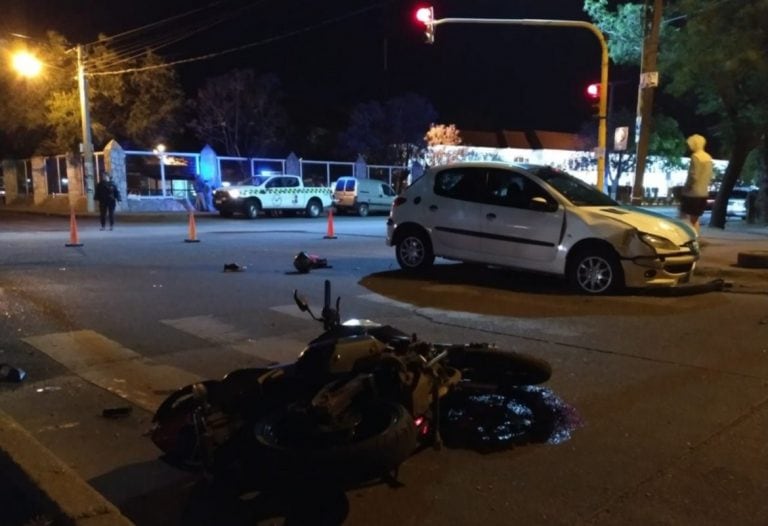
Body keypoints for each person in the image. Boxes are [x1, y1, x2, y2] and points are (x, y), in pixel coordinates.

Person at [679, 134, 713, 235]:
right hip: (703, 193)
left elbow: (693, 176)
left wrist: (685, 188)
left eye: (691, 144)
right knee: (695, 219)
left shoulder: (695, 157)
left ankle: (688, 238)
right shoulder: (708, 157)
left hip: (692, 193)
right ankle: (696, 237)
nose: (690, 147)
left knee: (684, 217)